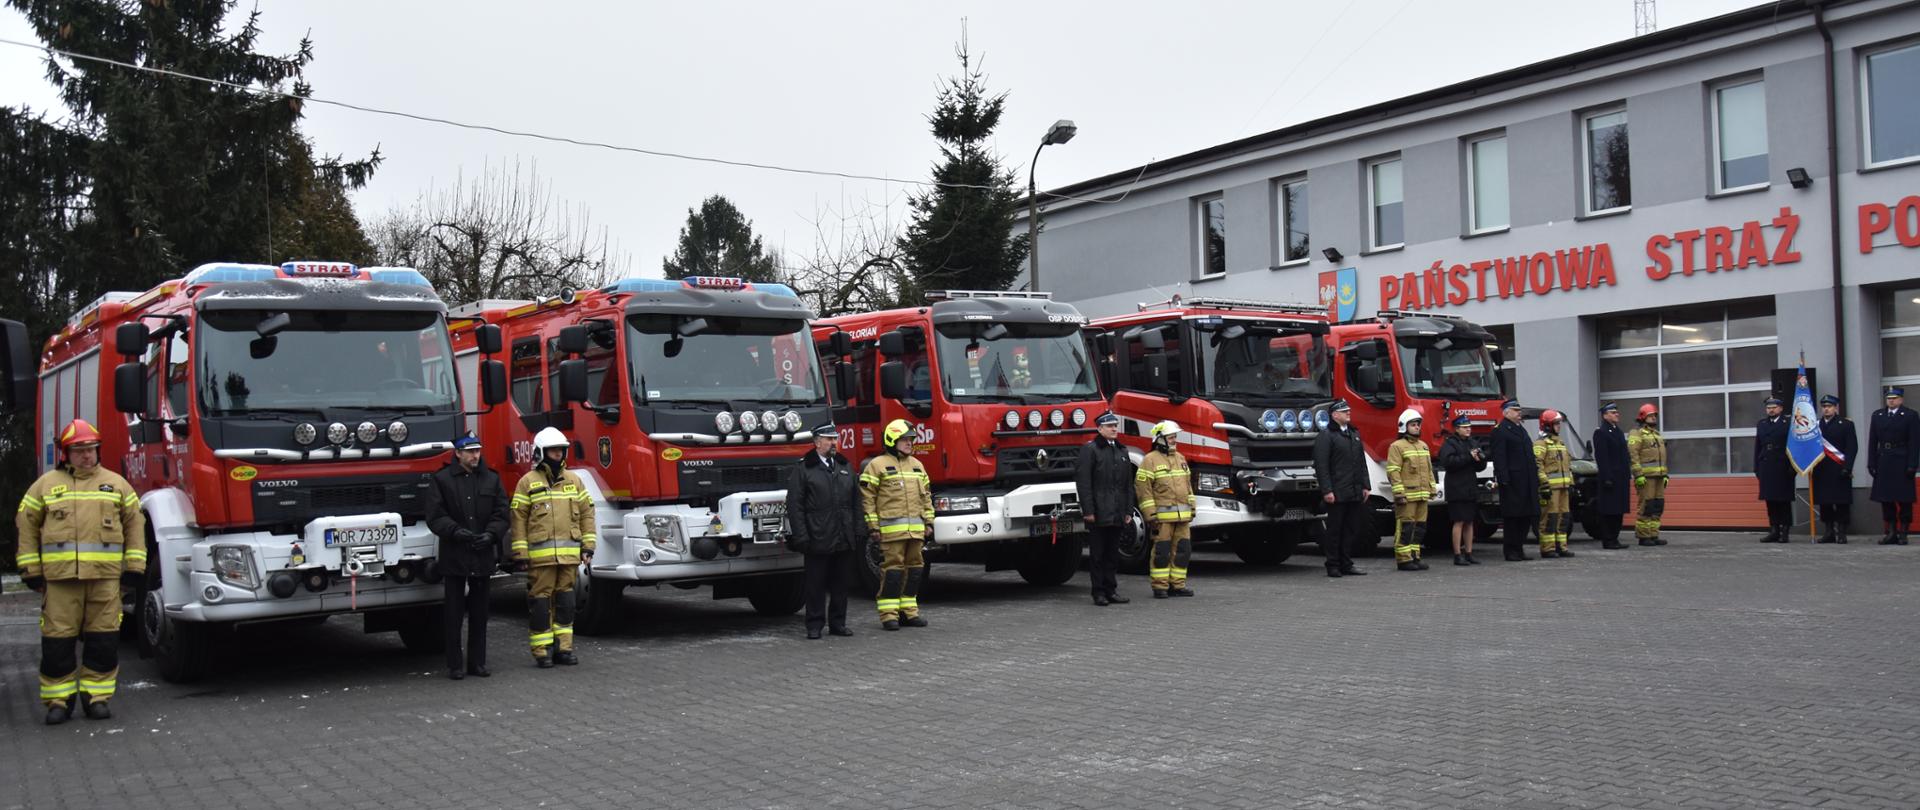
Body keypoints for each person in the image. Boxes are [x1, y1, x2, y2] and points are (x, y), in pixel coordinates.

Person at [15, 419, 144, 724]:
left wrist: (135, 569)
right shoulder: (45, 486)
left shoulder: (117, 485)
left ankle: (97, 699)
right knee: (57, 643)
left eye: (91, 449)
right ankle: (58, 702)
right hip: (60, 582)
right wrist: (31, 570)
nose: (87, 456)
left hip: (105, 580)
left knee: (103, 642)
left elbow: (135, 525)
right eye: (79, 451)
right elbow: (26, 526)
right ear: (66, 454)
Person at [509, 426, 596, 667]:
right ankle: (541, 651)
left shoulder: (574, 481)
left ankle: (564, 649)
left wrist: (588, 547)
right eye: (553, 450)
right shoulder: (527, 482)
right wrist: (521, 554)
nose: (558, 454)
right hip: (540, 559)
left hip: (568, 558)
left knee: (566, 603)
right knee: (540, 604)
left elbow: (587, 514)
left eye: (561, 450)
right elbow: (518, 519)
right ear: (541, 452)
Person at [425, 434, 509, 680]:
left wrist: (491, 535)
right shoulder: (442, 480)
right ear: (458, 454)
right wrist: (455, 531)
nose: (475, 456)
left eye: (478, 451)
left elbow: (501, 512)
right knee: (453, 614)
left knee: (480, 614)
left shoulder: (491, 479)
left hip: (482, 555)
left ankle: (477, 663)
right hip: (455, 556)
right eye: (470, 451)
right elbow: (435, 515)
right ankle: (454, 665)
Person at [785, 424, 861, 639]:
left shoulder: (844, 465)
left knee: (841, 583)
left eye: (835, 439)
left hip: (843, 535)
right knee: (815, 584)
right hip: (817, 534)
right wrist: (801, 535)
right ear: (817, 442)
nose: (833, 443)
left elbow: (857, 501)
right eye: (828, 439)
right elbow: (795, 505)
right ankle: (814, 624)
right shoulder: (804, 469)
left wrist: (858, 530)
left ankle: (838, 623)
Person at [861, 419, 934, 630]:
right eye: (905, 440)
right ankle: (888, 615)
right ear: (892, 440)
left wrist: (929, 521)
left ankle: (910, 612)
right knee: (893, 571)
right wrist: (873, 526)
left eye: (911, 440)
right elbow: (868, 498)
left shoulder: (917, 466)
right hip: (891, 532)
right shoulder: (877, 465)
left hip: (916, 532)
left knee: (915, 570)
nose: (910, 443)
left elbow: (926, 496)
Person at [1075, 412, 1135, 606]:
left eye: (1115, 425)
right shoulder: (1090, 450)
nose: (1114, 429)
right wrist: (1089, 510)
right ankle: (1098, 592)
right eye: (1110, 426)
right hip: (1099, 512)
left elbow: (1128, 485)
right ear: (1100, 429)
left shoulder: (1122, 451)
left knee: (1112, 554)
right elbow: (1084, 484)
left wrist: (1128, 510)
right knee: (1098, 555)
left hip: (1117, 512)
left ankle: (1111, 589)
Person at [1136, 420, 1197, 597]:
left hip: (1183, 516)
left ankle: (1178, 585)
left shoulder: (1180, 458)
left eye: (1174, 437)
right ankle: (1160, 586)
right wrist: (1150, 514)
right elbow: (1143, 489)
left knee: (1183, 551)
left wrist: (1192, 508)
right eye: (1171, 437)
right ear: (1160, 439)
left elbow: (1188, 486)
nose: (1174, 440)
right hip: (1162, 518)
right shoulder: (1150, 460)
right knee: (1162, 552)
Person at [1312, 400, 1369, 578]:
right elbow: (1321, 466)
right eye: (1344, 411)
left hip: (1354, 490)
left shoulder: (1354, 433)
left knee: (1350, 529)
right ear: (1334, 415)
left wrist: (1366, 485)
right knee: (1335, 530)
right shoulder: (1326, 436)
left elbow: (1361, 462)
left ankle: (1346, 562)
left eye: (1348, 410)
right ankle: (1333, 564)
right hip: (1337, 491)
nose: (1348, 413)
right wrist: (1327, 490)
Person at [1868, 386, 1920, 545]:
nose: (1891, 400)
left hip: (1902, 459)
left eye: (1894, 398)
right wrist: (1871, 463)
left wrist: (1912, 464)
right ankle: (1891, 532)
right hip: (1884, 460)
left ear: (1901, 399)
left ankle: (1903, 532)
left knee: (1904, 499)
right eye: (1889, 398)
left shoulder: (1910, 415)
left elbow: (1914, 442)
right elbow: (1873, 441)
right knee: (1886, 499)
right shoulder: (1878, 415)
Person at [1490, 399, 1540, 561]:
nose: (1519, 413)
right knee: (1513, 518)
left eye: (1519, 410)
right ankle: (1511, 550)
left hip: (1526, 481)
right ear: (1506, 412)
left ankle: (1519, 548)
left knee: (1526, 516)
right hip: (1512, 482)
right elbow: (1500, 457)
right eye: (1516, 410)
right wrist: (1503, 479)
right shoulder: (1501, 430)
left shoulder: (1521, 430)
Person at [1385, 409, 1434, 571]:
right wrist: (1399, 494)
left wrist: (1431, 489)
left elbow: (1429, 470)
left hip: (1422, 495)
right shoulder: (1397, 447)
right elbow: (1393, 471)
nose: (1417, 428)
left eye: (1418, 425)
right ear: (1403, 427)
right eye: (1413, 425)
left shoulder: (1423, 446)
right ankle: (1403, 559)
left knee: (1420, 527)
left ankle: (1415, 556)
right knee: (1405, 527)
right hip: (1407, 496)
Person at [1437, 414, 1486, 565]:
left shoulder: (1472, 442)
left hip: (1470, 487)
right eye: (1464, 428)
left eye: (1469, 427)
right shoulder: (1450, 444)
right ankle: (1457, 554)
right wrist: (1468, 456)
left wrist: (1480, 460)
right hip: (1457, 488)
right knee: (1459, 521)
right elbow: (1449, 463)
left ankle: (1469, 552)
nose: (1468, 430)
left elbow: (1479, 467)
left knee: (1470, 521)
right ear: (1457, 429)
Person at [1813, 395, 1857, 544]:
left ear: (1835, 408)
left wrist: (1848, 467)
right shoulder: (1816, 426)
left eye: (1829, 406)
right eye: (1824, 406)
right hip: (1821, 469)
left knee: (1841, 502)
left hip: (1839, 469)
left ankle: (1842, 532)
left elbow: (1852, 448)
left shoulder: (1845, 424)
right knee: (1825, 502)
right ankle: (1829, 531)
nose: (1826, 409)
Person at [1534, 410, 1575, 559]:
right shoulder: (1541, 444)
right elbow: (1537, 466)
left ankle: (1561, 546)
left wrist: (1571, 483)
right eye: (1556, 423)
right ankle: (1547, 548)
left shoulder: (1561, 444)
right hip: (1550, 489)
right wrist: (1543, 485)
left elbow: (1567, 465)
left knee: (1564, 517)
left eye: (1559, 423)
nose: (1559, 426)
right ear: (1547, 425)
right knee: (1549, 518)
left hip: (1563, 488)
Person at [1591, 403, 1633, 549]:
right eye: (1613, 412)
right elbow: (1602, 457)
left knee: (1618, 510)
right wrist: (1607, 477)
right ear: (1605, 415)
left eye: (1617, 412)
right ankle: (1608, 539)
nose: (1617, 414)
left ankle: (1615, 538)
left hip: (1621, 477)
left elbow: (1624, 455)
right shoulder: (1601, 432)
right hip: (1610, 478)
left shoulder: (1618, 431)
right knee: (1609, 510)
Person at [1629, 403, 1670, 546]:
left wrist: (1665, 475)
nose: (1653, 418)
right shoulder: (1637, 434)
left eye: (1654, 416)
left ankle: (1654, 534)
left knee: (1657, 505)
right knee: (1646, 506)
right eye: (1650, 416)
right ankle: (1643, 536)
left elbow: (1663, 457)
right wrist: (1638, 474)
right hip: (1646, 478)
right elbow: (1633, 455)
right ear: (1642, 417)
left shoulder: (1657, 435)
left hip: (1659, 476)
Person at [1755, 397, 1795, 543]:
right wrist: (1757, 467)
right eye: (1768, 408)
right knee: (1770, 501)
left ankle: (1785, 531)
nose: (1771, 410)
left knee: (1783, 501)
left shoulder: (1788, 423)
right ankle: (1774, 529)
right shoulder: (1762, 424)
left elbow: (1794, 446)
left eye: (1774, 407)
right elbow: (1758, 447)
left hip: (1783, 466)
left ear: (1780, 408)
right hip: (1767, 465)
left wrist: (1793, 466)